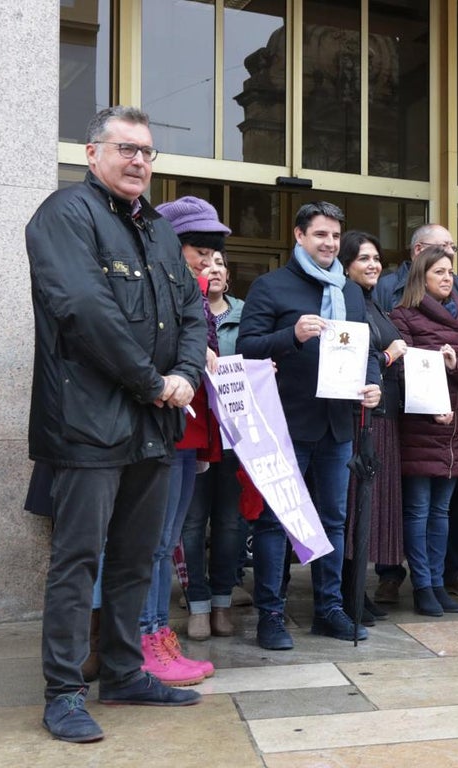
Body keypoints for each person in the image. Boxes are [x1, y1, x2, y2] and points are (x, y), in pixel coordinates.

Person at [26, 105, 206, 742]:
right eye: (125, 148)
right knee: (78, 560)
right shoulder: (63, 217)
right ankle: (64, 690)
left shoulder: (155, 228)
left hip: (153, 423)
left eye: (147, 152)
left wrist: (185, 373)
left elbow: (190, 309)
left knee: (135, 558)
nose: (138, 161)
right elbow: (83, 309)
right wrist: (153, 382)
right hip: (87, 423)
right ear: (91, 152)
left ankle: (126, 672)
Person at [237, 201, 382, 650]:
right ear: (299, 236)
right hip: (285, 424)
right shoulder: (271, 287)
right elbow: (246, 348)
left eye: (336, 236)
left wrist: (374, 386)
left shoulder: (349, 290)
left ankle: (329, 609)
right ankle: (271, 614)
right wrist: (292, 336)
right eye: (321, 235)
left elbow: (369, 350)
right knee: (276, 522)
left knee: (333, 521)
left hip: (338, 425)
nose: (330, 244)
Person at [139, 196, 229, 686]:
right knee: (153, 543)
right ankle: (146, 636)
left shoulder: (190, 292)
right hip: (162, 431)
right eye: (200, 247)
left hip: (189, 434)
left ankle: (157, 634)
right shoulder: (157, 291)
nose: (207, 259)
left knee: (166, 540)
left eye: (213, 250)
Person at [373, 222, 458, 601]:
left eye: (450, 272)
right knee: (417, 512)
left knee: (442, 514)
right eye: (439, 272)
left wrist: (455, 366)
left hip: (454, 428)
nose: (448, 278)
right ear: (422, 274)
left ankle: (436, 582)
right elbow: (401, 370)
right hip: (420, 426)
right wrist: (433, 405)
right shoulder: (403, 315)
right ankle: (421, 585)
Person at [338, 231, 404, 623]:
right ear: (346, 264)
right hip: (360, 418)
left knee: (372, 508)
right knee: (353, 508)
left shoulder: (373, 303)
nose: (373, 265)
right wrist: (390, 356)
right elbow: (352, 358)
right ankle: (348, 592)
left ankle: (357, 589)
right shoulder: (348, 301)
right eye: (364, 258)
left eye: (376, 258)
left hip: (385, 419)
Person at [182, 247, 247, 640]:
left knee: (229, 521)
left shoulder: (244, 314)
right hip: (194, 431)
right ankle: (198, 605)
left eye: (222, 262)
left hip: (237, 435)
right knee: (191, 523)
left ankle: (223, 600)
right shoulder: (185, 312)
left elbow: (259, 355)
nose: (215, 268)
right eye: (207, 262)